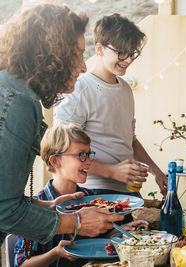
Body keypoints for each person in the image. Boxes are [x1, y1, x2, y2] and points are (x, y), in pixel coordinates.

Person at [0, 3, 124, 255]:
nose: (83, 66)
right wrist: (76, 222)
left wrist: (47, 206)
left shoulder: (15, 92)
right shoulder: (18, 101)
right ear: (50, 56)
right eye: (77, 54)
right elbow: (4, 210)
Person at [53, 13, 168, 198]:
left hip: (127, 192)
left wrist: (157, 171)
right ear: (99, 49)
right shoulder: (79, 89)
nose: (128, 59)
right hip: (90, 191)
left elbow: (130, 140)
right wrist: (112, 171)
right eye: (121, 52)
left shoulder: (125, 89)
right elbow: (61, 151)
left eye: (132, 53)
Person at [14, 124, 148, 267]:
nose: (89, 161)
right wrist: (55, 253)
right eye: (81, 155)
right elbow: (21, 264)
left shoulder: (91, 197)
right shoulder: (36, 205)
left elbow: (98, 243)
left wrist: (119, 232)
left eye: (89, 154)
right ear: (55, 161)